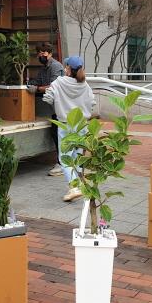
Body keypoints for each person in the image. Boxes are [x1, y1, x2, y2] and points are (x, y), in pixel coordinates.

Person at [43, 56, 94, 202]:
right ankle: (77, 186)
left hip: (66, 124)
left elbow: (47, 98)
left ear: (68, 69)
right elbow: (92, 103)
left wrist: (59, 104)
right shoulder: (85, 85)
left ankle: (74, 187)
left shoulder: (58, 83)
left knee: (64, 158)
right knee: (77, 157)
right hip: (82, 124)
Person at [27, 42, 65, 177]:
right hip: (54, 109)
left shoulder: (56, 67)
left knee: (59, 134)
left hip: (62, 108)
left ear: (50, 53)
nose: (41, 55)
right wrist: (31, 84)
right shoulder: (43, 69)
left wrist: (37, 89)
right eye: (39, 53)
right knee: (55, 134)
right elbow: (38, 82)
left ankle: (62, 164)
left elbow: (53, 87)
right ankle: (63, 162)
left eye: (44, 53)